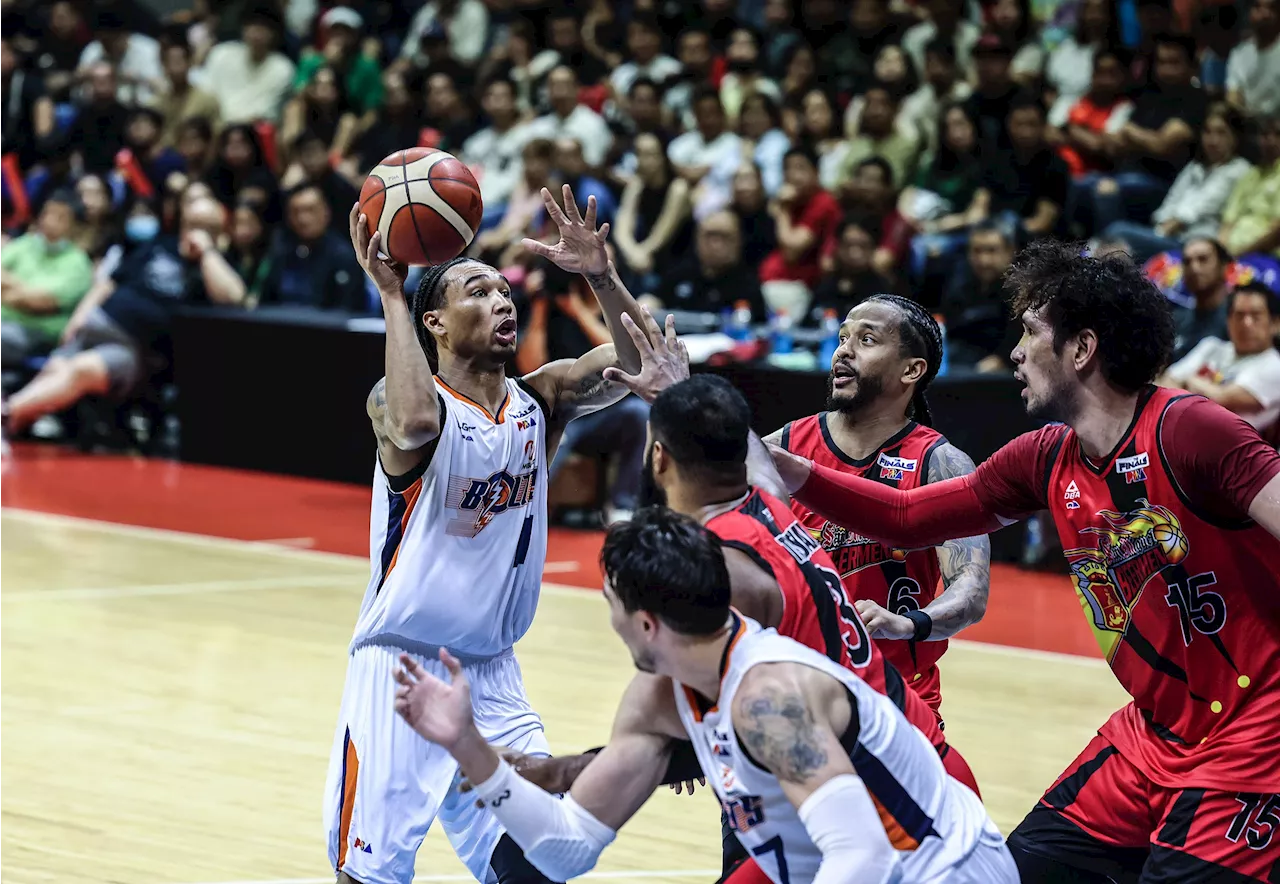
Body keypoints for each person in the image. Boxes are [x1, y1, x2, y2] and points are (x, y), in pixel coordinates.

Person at [767, 240, 1280, 882]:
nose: (1014, 351)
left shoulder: (1190, 429)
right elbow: (906, 516)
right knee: (1013, 872)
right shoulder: (1045, 455)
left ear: (1082, 349)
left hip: (1259, 730)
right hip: (1155, 732)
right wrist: (786, 466)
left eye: (1031, 332)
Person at [488, 371, 984, 884]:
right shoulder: (768, 505)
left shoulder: (722, 582)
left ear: (657, 457)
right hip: (894, 761)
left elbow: (693, 739)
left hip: (893, 806)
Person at [325, 183, 670, 884]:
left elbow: (645, 366)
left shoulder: (541, 399)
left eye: (504, 291)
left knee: (542, 859)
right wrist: (393, 295)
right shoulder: (400, 401)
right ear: (436, 325)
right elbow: (418, 424)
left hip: (492, 670)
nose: (503, 301)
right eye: (477, 293)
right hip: (402, 665)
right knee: (372, 873)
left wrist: (599, 275)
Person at [394, 506, 1017, 884]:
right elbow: (565, 852)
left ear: (644, 624)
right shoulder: (666, 694)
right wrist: (467, 745)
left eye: (609, 605)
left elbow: (862, 860)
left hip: (942, 873)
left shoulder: (769, 697)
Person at [767, 295, 989, 720]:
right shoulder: (785, 448)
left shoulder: (938, 464)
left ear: (911, 370)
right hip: (797, 688)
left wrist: (911, 624)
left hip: (897, 697)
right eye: (843, 337)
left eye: (867, 339)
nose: (844, 350)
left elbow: (972, 589)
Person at [1161, 282, 1280, 432]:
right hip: (1178, 432)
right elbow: (1166, 383)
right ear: (1228, 321)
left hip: (1227, 448)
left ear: (1275, 323)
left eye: (1256, 316)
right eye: (1239, 315)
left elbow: (1222, 398)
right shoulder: (1211, 346)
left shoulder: (1274, 366)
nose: (1246, 323)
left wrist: (1190, 380)